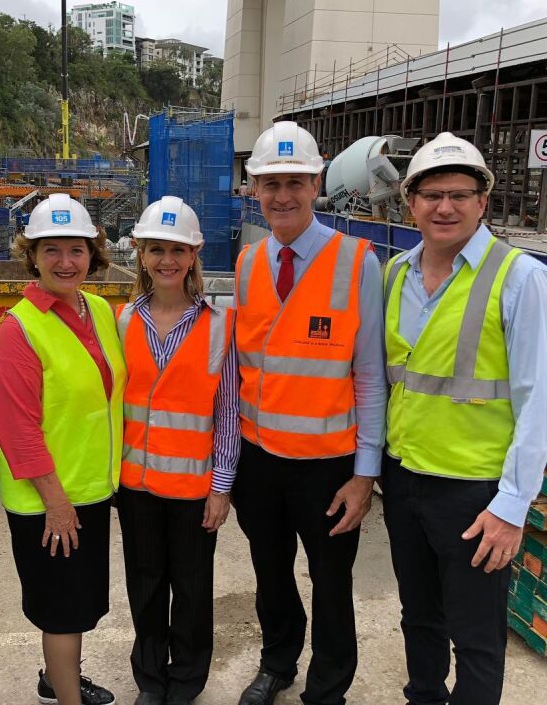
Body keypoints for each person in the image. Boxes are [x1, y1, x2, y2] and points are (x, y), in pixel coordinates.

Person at [381, 132, 547, 705]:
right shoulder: (395, 274)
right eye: (431, 194)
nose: (444, 207)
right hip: (403, 481)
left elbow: (539, 400)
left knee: (476, 637)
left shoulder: (519, 277)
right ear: (411, 203)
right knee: (418, 618)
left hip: (476, 494)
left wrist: (512, 505)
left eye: (459, 193)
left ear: (483, 201)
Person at [232, 120, 387, 705]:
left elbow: (370, 376)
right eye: (270, 183)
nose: (282, 195)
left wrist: (364, 475)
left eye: (295, 181)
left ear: (317, 181)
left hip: (328, 465)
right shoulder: (248, 265)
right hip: (260, 461)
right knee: (270, 574)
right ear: (254, 190)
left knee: (331, 583)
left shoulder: (355, 263)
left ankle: (327, 688)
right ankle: (278, 663)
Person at [0, 193, 125, 705]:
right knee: (63, 611)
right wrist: (57, 503)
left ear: (94, 254)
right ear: (32, 256)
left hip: (89, 488)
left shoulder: (100, 312)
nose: (66, 262)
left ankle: (58, 677)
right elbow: (18, 432)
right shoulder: (18, 331)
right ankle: (67, 697)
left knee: (77, 603)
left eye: (77, 249)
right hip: (50, 501)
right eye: (51, 250)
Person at [115, 196, 240, 705]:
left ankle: (186, 681)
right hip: (136, 488)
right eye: (156, 249)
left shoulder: (218, 326)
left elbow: (227, 412)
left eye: (178, 250)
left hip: (193, 490)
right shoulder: (121, 321)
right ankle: (150, 679)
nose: (167, 260)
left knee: (190, 593)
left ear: (194, 257)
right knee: (144, 590)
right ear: (141, 255)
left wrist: (221, 488)